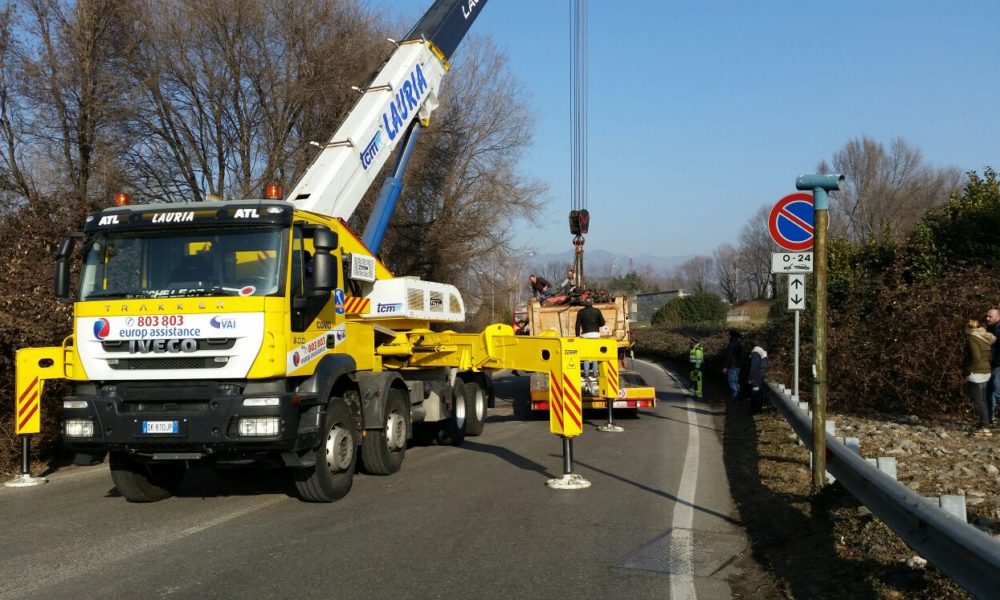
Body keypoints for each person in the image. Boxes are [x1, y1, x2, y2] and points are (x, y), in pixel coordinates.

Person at [963, 319, 995, 436]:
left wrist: (969, 370)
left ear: (969, 328)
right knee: (983, 400)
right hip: (986, 371)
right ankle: (985, 423)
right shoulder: (985, 337)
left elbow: (976, 357)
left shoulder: (973, 338)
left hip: (976, 373)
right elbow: (990, 356)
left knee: (978, 401)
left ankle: (984, 427)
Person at [575, 298, 605, 378]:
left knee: (586, 354)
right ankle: (595, 373)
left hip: (586, 335)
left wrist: (577, 336)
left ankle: (586, 373)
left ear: (584, 303)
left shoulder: (581, 312)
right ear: (592, 302)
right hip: (596, 334)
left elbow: (577, 325)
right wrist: (596, 324)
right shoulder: (597, 311)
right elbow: (603, 323)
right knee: (595, 354)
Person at [985, 307, 1000, 425]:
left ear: (998, 317)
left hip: (998, 364)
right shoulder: (989, 329)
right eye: (987, 316)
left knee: (997, 390)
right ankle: (990, 418)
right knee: (989, 391)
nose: (987, 318)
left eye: (990, 316)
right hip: (991, 364)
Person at [747, 337, 768, 413]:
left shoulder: (756, 351)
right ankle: (758, 409)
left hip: (756, 375)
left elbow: (754, 366)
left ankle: (754, 410)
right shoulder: (761, 350)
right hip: (760, 374)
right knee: (758, 392)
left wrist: (750, 377)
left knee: (755, 393)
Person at [722, 329, 743, 401]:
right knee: (736, 380)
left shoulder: (731, 344)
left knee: (731, 381)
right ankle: (738, 395)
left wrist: (725, 366)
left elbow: (729, 356)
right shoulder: (739, 344)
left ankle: (735, 396)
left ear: (732, 336)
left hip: (732, 365)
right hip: (738, 365)